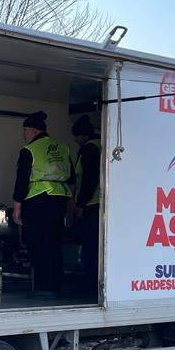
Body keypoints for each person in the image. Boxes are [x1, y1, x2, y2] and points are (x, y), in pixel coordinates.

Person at [12, 110, 72, 299]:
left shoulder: (29, 150)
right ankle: (57, 283)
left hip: (38, 199)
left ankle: (43, 286)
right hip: (59, 198)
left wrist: (17, 206)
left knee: (38, 243)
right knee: (55, 242)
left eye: (25, 131)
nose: (23, 135)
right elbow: (72, 177)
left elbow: (22, 180)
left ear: (32, 130)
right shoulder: (62, 147)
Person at [69, 114, 101, 293]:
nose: (74, 140)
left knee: (91, 247)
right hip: (96, 203)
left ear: (82, 135)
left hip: (92, 204)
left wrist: (79, 204)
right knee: (94, 246)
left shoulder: (89, 149)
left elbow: (89, 179)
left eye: (76, 136)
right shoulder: (98, 145)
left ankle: (91, 284)